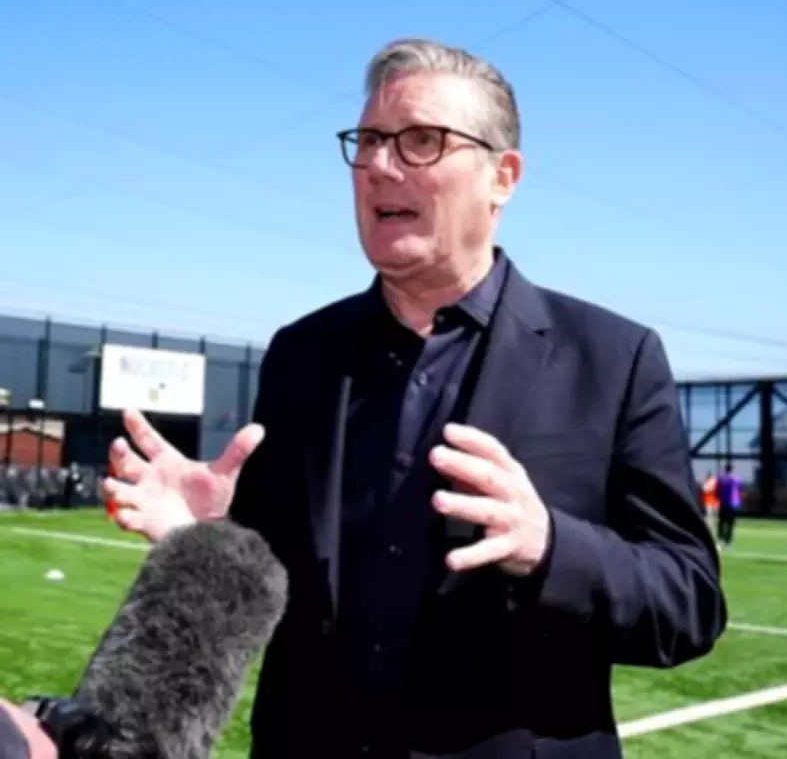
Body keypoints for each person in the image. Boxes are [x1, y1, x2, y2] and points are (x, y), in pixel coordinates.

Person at [102, 37, 727, 758]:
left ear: (502, 177)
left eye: (421, 141)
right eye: (368, 140)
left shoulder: (613, 359)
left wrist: (550, 547)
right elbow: (276, 586)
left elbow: (689, 602)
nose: (378, 165)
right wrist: (213, 537)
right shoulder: (302, 354)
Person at [715, 463, 740, 548]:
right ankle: (728, 540)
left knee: (721, 522)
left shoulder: (721, 478)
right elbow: (739, 490)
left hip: (724, 503)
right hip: (733, 504)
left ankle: (720, 538)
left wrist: (718, 498)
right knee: (730, 523)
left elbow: (717, 491)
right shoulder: (736, 479)